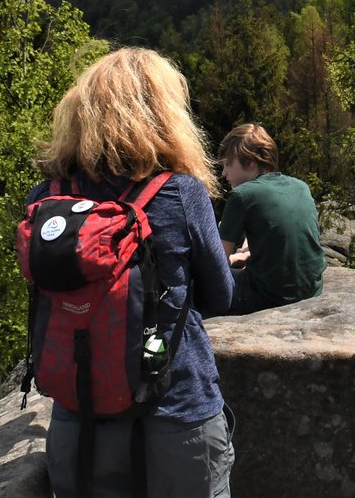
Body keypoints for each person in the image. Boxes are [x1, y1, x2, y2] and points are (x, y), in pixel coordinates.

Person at [30, 48, 236, 498]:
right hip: (175, 413)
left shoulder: (47, 198)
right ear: (164, 115)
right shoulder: (179, 192)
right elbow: (221, 296)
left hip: (79, 418)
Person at [217, 123, 325, 313]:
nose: (224, 173)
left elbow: (216, 262)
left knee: (196, 284)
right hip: (311, 291)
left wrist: (234, 258)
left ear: (250, 163)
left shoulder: (241, 196)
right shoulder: (300, 186)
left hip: (266, 297)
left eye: (227, 164)